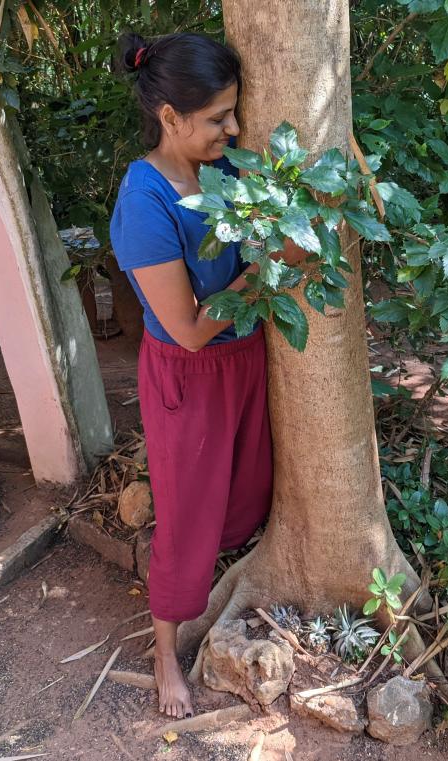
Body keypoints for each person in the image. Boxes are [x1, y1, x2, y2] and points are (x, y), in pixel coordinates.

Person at [109, 31, 302, 719]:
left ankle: (228, 596)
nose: (235, 128)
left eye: (234, 112)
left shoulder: (224, 173)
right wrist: (265, 274)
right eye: (219, 116)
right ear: (170, 118)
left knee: (249, 491)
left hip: (246, 359)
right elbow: (188, 328)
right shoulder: (146, 200)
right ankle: (166, 652)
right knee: (188, 517)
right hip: (189, 376)